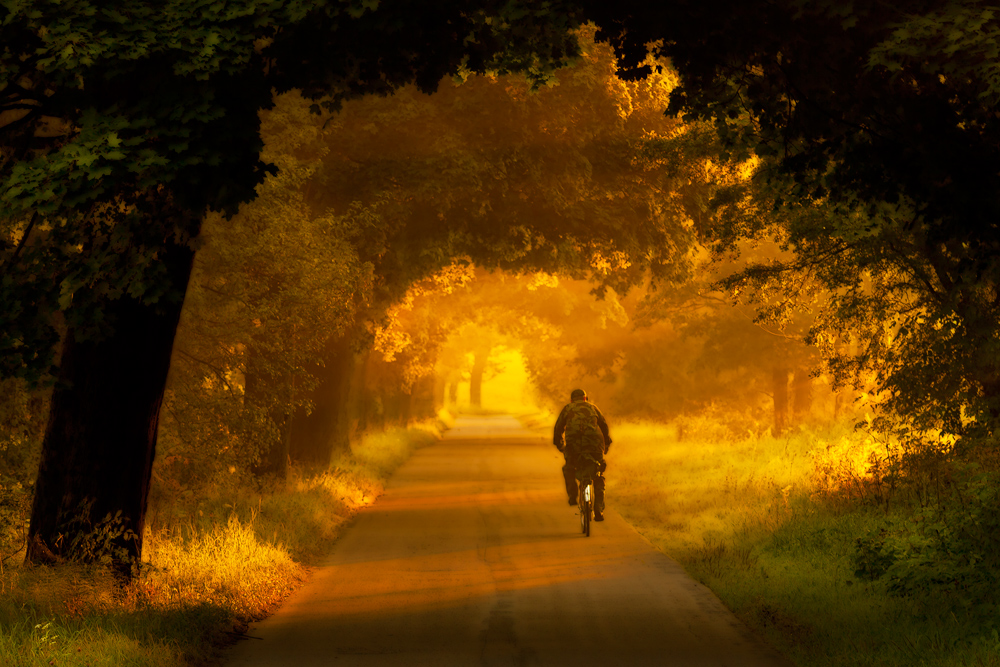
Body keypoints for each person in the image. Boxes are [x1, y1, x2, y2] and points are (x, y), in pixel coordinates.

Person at [553, 388, 611, 520]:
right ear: (585, 398)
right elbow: (604, 427)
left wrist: (560, 445)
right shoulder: (593, 408)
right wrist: (606, 444)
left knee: (569, 468)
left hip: (574, 447)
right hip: (594, 446)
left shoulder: (568, 408)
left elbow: (558, 429)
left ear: (572, 400)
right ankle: (598, 509)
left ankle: (573, 497)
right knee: (598, 474)